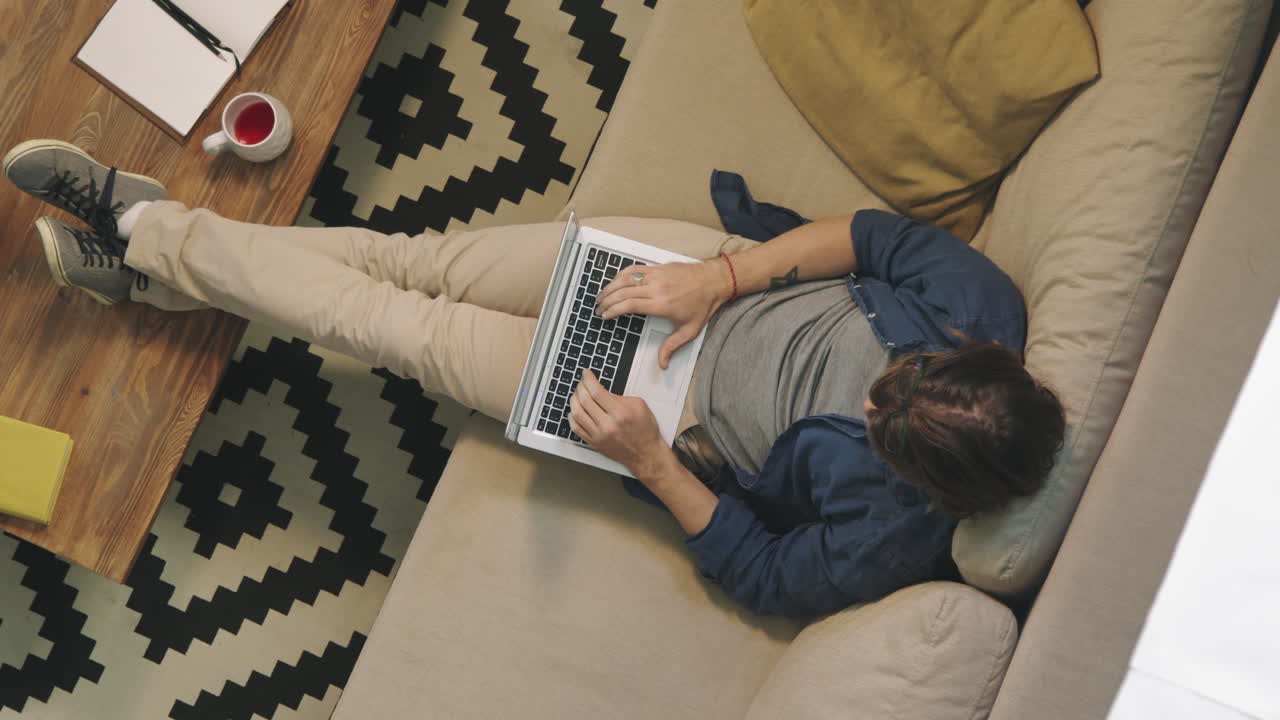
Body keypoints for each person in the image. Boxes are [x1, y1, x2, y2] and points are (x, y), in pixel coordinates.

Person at [3, 139, 1066, 617]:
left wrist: (649, 460)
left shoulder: (895, 537)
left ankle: (138, 219)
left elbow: (760, 570)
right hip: (692, 281)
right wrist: (716, 275)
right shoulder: (984, 308)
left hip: (652, 408)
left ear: (926, 485)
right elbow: (873, 239)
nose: (872, 393)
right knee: (410, 261)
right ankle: (154, 275)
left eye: (876, 422)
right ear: (981, 358)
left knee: (381, 318)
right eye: (900, 372)